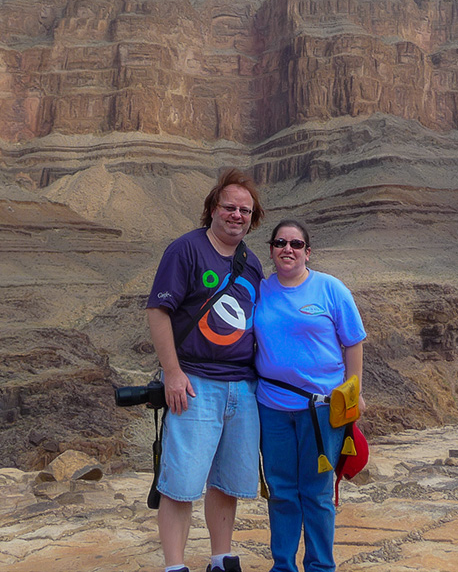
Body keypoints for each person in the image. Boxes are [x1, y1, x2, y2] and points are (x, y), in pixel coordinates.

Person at [146, 168, 266, 572]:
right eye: (229, 207)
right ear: (213, 209)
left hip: (242, 387)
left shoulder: (251, 264)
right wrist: (173, 373)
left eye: (245, 210)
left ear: (253, 217)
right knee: (180, 484)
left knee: (227, 482)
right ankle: (175, 566)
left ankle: (220, 557)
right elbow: (158, 312)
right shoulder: (186, 250)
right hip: (195, 383)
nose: (237, 215)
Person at [254, 220, 367, 572]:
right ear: (271, 249)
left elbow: (353, 342)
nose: (288, 249)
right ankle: (283, 565)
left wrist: (353, 392)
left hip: (320, 410)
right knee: (282, 490)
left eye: (296, 244)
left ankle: (320, 566)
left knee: (317, 492)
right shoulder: (260, 290)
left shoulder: (330, 289)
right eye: (280, 242)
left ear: (308, 251)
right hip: (272, 406)